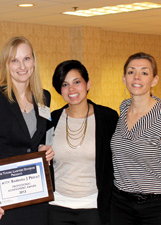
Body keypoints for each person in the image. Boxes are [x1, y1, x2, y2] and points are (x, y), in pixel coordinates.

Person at [0, 36, 54, 225]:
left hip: (35, 194)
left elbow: (42, 137)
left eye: (26, 59)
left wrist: (46, 148)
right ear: (6, 64)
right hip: (3, 198)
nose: (22, 66)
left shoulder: (43, 97)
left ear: (34, 61)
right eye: (15, 60)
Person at [46, 60, 118, 225]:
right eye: (65, 84)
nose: (71, 89)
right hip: (57, 206)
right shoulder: (52, 119)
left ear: (88, 84)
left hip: (94, 208)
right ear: (60, 90)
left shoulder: (108, 118)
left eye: (77, 82)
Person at [111, 52, 161, 225]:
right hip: (120, 204)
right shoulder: (123, 110)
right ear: (124, 78)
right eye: (131, 72)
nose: (137, 77)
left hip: (154, 208)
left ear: (154, 80)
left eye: (144, 72)